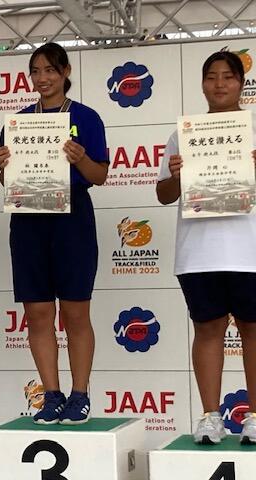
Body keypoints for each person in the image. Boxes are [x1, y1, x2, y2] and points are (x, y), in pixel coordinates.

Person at [0, 43, 108, 425]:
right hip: (29, 221)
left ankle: (80, 394)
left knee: (75, 312)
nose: (42, 78)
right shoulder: (18, 122)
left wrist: (81, 158)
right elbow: (7, 180)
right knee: (38, 312)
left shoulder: (86, 117)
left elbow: (100, 175)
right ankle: (52, 394)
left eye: (50, 70)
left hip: (72, 219)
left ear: (65, 72)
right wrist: (2, 166)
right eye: (36, 71)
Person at [156, 50, 256, 445]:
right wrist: (177, 176)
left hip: (249, 250)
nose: (219, 84)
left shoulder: (253, 128)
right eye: (212, 76)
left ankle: (254, 417)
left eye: (228, 77)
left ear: (241, 84)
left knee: (252, 329)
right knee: (208, 329)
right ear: (202, 84)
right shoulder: (183, 135)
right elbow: (164, 194)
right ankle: (211, 416)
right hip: (199, 251)